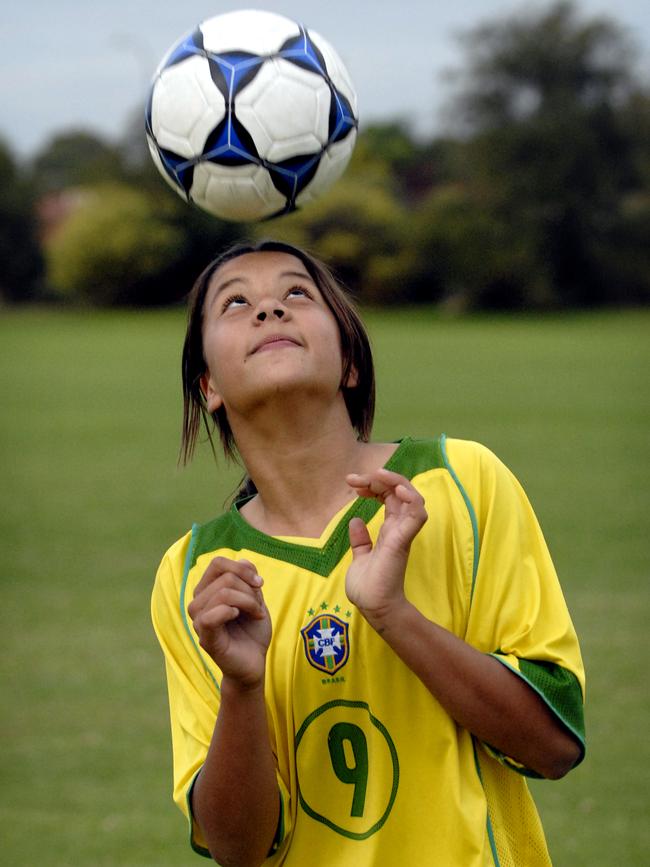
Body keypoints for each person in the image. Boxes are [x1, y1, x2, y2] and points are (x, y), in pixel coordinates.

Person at [151, 239, 585, 867]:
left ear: (349, 360)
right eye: (236, 302)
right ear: (209, 386)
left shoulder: (460, 480)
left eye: (297, 293)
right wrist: (241, 688)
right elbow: (237, 849)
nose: (269, 310)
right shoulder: (195, 575)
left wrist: (393, 615)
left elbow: (554, 744)